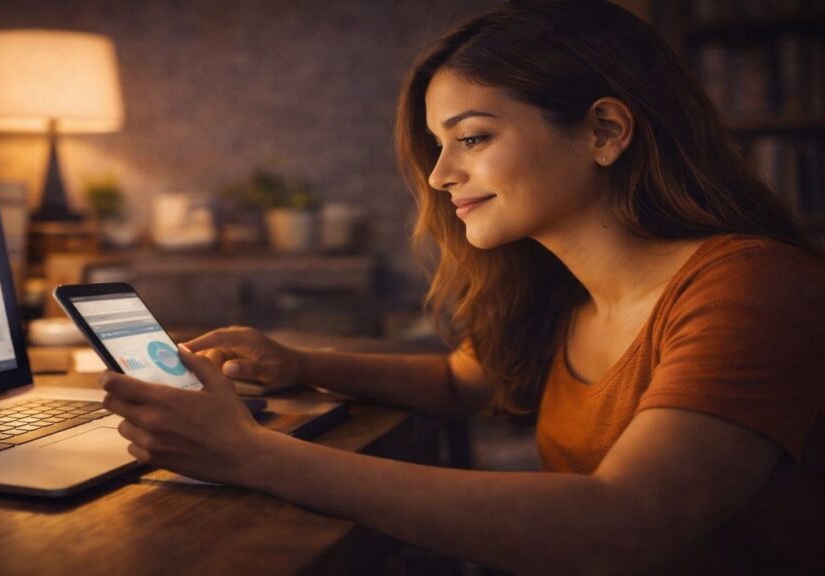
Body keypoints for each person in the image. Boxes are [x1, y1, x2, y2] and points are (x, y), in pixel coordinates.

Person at [101, 0, 825, 573]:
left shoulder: (751, 286)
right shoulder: (562, 290)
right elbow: (460, 380)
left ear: (605, 130)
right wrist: (300, 363)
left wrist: (251, 454)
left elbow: (624, 528)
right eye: (438, 146)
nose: (442, 175)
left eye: (472, 137)